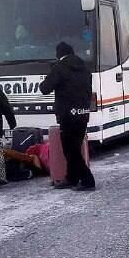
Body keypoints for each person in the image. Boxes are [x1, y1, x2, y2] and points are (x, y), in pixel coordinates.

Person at [40, 42, 96, 191]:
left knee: (70, 150)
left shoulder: (59, 68)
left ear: (59, 54)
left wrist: (52, 71)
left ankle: (87, 180)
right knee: (75, 147)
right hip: (82, 113)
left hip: (67, 114)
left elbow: (45, 88)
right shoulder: (84, 68)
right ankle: (71, 178)